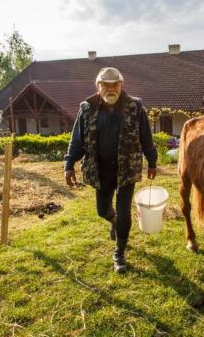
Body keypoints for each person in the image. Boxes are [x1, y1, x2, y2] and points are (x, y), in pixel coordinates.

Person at [64, 67, 157, 273]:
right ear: (98, 87)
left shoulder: (135, 107)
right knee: (102, 210)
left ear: (121, 85)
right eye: (106, 85)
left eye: (115, 84)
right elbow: (77, 139)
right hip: (100, 169)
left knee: (124, 213)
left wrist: (152, 161)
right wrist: (69, 164)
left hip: (126, 169)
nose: (111, 88)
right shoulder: (87, 108)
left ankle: (119, 253)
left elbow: (146, 137)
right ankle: (114, 222)